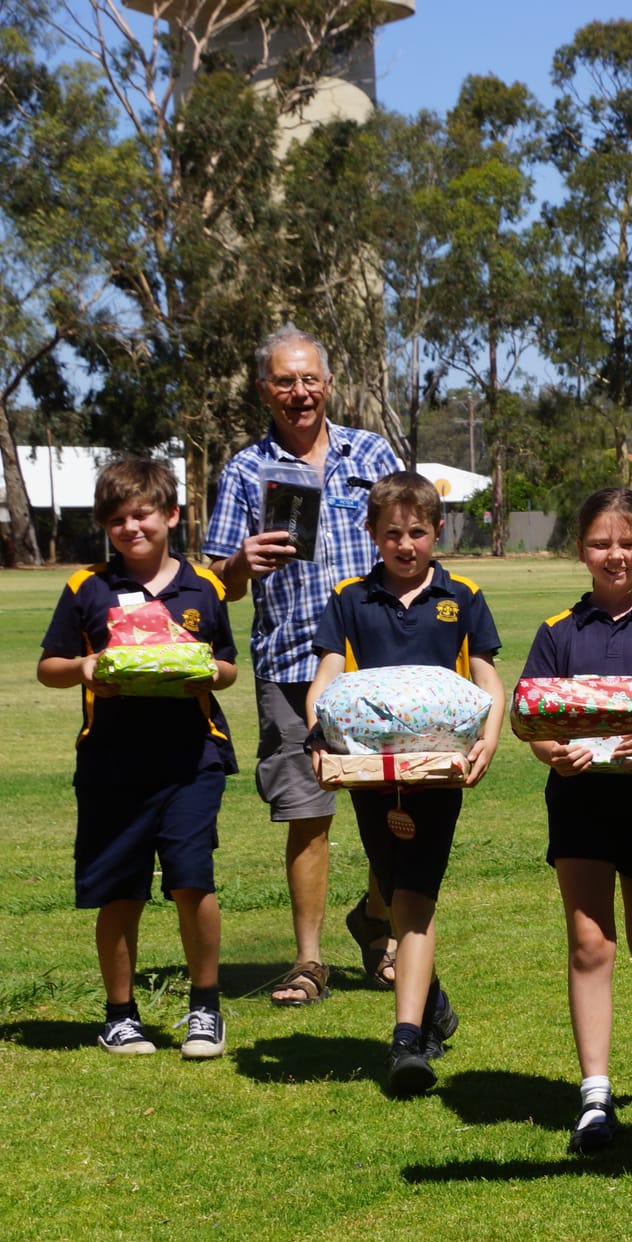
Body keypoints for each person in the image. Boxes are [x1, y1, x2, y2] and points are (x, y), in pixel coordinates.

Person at [208, 325, 404, 1005]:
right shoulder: (243, 470)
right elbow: (218, 584)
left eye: (310, 379)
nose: (300, 393)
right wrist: (240, 563)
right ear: (265, 389)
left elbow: (410, 540)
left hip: (376, 660)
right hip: (291, 665)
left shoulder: (370, 452)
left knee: (396, 809)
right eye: (285, 382)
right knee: (307, 810)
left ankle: (377, 923)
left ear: (328, 383)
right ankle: (309, 961)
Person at [304, 472, 505, 1096]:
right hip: (370, 773)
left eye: (418, 532)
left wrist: (489, 736)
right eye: (392, 533)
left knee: (414, 897)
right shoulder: (350, 598)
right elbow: (328, 677)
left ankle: (406, 1040)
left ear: (437, 531)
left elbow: (486, 677)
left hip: (437, 772)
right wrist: (319, 734)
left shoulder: (462, 594)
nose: (406, 544)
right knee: (394, 890)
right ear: (372, 534)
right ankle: (433, 999)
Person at [38, 459, 238, 1058]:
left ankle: (205, 1009)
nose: (132, 527)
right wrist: (85, 668)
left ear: (170, 515)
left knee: (191, 881)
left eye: (143, 514)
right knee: (119, 892)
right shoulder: (85, 587)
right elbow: (50, 668)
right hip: (111, 762)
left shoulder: (203, 586)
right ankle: (120, 1016)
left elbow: (226, 666)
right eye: (118, 519)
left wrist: (200, 670)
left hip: (191, 758)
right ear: (105, 525)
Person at [522, 489, 632, 1151]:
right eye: (601, 542)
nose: (615, 554)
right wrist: (553, 753)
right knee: (591, 943)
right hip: (579, 803)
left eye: (628, 542)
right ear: (580, 551)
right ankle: (594, 1095)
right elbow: (533, 721)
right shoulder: (556, 632)